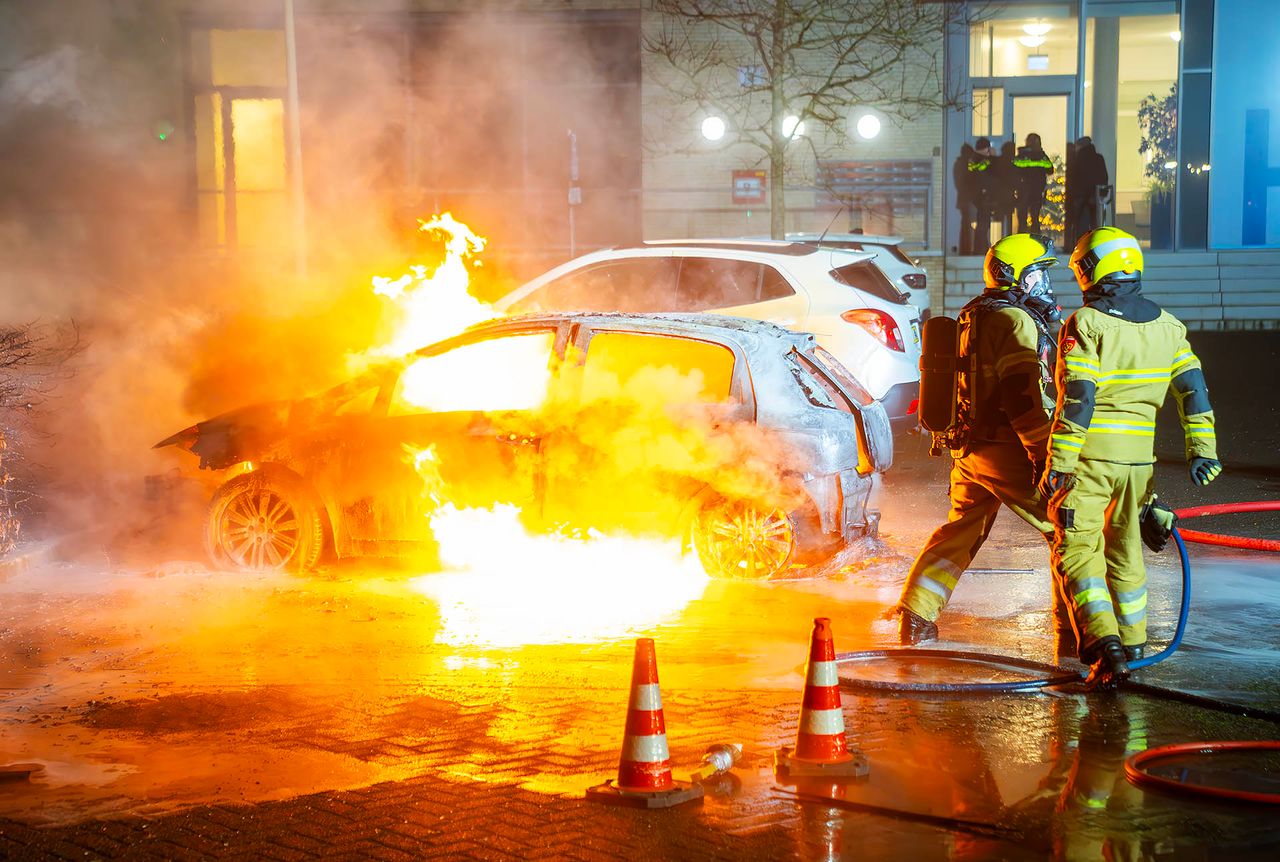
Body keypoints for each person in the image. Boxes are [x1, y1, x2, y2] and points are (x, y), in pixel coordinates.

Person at [1039, 226, 1221, 689]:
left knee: (1078, 553)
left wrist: (1058, 462)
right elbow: (1193, 391)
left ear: (1093, 268)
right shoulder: (1170, 327)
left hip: (1090, 461)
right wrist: (1203, 451)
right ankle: (1134, 645)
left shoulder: (1088, 323)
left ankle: (1104, 645)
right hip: (1140, 467)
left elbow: (1077, 397)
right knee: (1127, 555)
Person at [895, 233, 1067, 644]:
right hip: (1007, 448)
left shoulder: (974, 313)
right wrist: (1045, 455)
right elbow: (1021, 396)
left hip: (970, 449)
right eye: (1039, 275)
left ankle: (916, 614)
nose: (1044, 285)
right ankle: (1078, 630)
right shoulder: (1014, 320)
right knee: (1067, 528)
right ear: (1018, 277)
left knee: (962, 528)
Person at [1066, 137, 1108, 246]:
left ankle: (1082, 248)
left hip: (1081, 197)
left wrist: (1073, 196)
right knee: (1095, 223)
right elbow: (1104, 177)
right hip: (1095, 196)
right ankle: (1095, 246)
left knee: (1082, 226)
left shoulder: (1078, 160)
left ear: (1080, 146)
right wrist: (1099, 193)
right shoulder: (1098, 158)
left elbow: (1073, 179)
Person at [1014, 133, 1054, 234]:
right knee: (1035, 217)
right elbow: (1050, 170)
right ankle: (1035, 241)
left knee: (1022, 218)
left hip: (1023, 189)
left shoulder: (1022, 154)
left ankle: (1021, 240)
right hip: (1037, 189)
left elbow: (1014, 169)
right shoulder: (1042, 156)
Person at [968, 138, 997, 253]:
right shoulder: (978, 159)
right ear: (986, 148)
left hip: (982, 196)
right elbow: (986, 170)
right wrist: (992, 158)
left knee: (984, 222)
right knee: (983, 223)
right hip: (982, 196)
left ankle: (983, 247)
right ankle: (980, 249)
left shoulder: (975, 159)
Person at [953, 143, 977, 255]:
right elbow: (963, 182)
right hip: (966, 199)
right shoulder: (963, 165)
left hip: (964, 199)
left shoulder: (959, 164)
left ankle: (965, 248)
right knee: (966, 224)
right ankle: (966, 249)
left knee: (966, 224)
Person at [992, 141, 1019, 235]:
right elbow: (1015, 180)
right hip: (1007, 196)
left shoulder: (996, 161)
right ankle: (1006, 240)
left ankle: (1000, 241)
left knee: (1000, 220)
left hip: (998, 195)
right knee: (1007, 220)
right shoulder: (1012, 164)